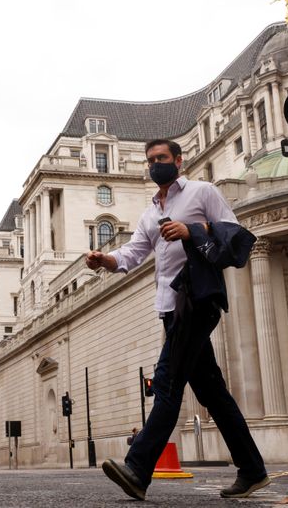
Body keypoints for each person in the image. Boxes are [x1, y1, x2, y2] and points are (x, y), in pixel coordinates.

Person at [86, 139, 269, 501]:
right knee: (211, 393)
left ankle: (138, 469)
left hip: (198, 299)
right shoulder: (149, 213)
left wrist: (192, 231)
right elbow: (134, 253)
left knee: (167, 382)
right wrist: (104, 260)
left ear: (179, 161)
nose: (157, 164)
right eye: (151, 160)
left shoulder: (203, 192)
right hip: (170, 306)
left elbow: (234, 235)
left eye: (162, 158)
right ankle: (252, 470)